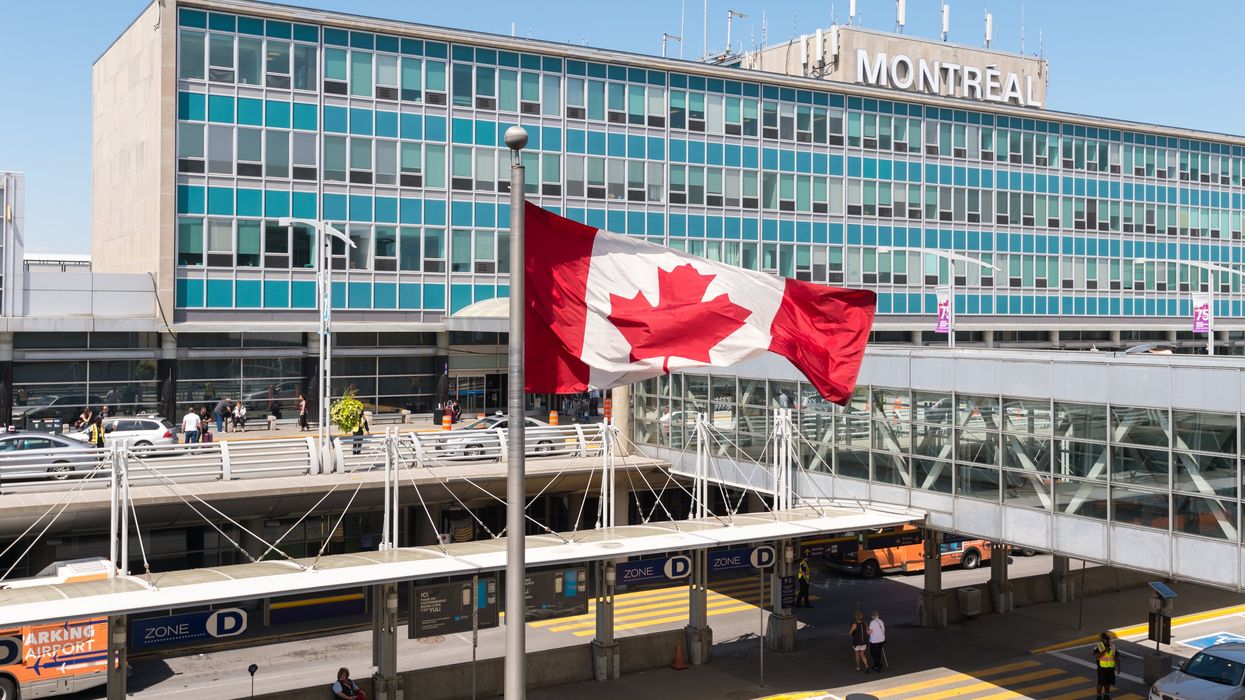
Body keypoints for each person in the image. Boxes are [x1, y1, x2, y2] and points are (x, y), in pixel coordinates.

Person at [1093, 632, 1116, 700]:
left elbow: (1116, 655)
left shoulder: (1112, 646)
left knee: (1108, 682)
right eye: (1105, 639)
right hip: (1102, 668)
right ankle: (1099, 696)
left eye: (1108, 639)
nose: (1107, 640)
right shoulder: (1098, 646)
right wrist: (1104, 651)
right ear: (1102, 639)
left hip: (1110, 668)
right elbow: (1096, 655)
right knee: (1100, 683)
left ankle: (1107, 696)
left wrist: (1118, 666)